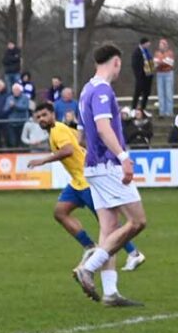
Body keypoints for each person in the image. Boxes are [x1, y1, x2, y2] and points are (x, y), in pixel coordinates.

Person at [71, 44, 148, 306]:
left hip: (93, 167)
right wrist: (124, 158)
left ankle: (111, 293)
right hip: (108, 165)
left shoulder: (85, 91)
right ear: (116, 62)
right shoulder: (103, 90)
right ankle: (88, 268)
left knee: (109, 228)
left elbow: (81, 136)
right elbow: (104, 128)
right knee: (137, 222)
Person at [28, 102, 144, 272]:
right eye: (38, 117)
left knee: (107, 223)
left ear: (53, 114)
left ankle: (134, 253)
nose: (41, 119)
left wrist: (43, 160)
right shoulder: (59, 129)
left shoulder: (58, 130)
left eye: (44, 115)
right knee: (60, 212)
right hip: (77, 182)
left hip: (87, 182)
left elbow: (68, 150)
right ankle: (90, 247)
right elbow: (80, 142)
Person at [153, 38, 175, 117]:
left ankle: (169, 111)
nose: (160, 46)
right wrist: (162, 62)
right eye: (160, 44)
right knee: (161, 93)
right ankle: (162, 111)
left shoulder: (170, 53)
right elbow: (155, 64)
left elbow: (169, 63)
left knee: (168, 93)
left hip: (168, 73)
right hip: (159, 74)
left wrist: (160, 62)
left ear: (165, 45)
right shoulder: (157, 53)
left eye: (162, 44)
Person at [130, 37, 154, 112]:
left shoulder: (147, 52)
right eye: (147, 43)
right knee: (138, 92)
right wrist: (138, 74)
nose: (149, 44)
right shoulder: (137, 52)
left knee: (146, 93)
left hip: (148, 75)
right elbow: (135, 64)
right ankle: (133, 108)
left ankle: (143, 108)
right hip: (141, 76)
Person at [5, 83, 30, 147]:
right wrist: (10, 107)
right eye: (14, 90)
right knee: (13, 142)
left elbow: (25, 107)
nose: (15, 92)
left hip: (22, 123)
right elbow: (5, 110)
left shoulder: (25, 98)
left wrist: (15, 106)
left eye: (17, 90)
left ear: (20, 90)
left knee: (23, 142)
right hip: (12, 124)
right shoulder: (9, 98)